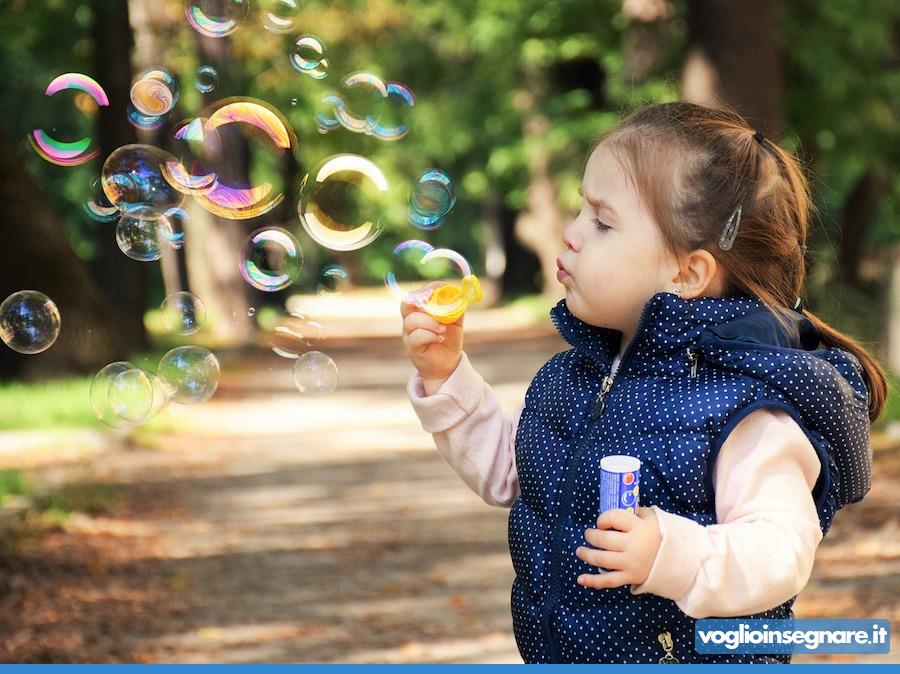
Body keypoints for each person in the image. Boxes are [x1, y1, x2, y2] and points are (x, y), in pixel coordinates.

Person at [401, 101, 886, 664]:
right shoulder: (574, 375)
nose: (572, 232)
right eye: (582, 211)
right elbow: (515, 473)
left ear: (687, 273)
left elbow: (781, 549)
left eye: (603, 222)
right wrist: (447, 378)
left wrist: (671, 554)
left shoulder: (741, 406)